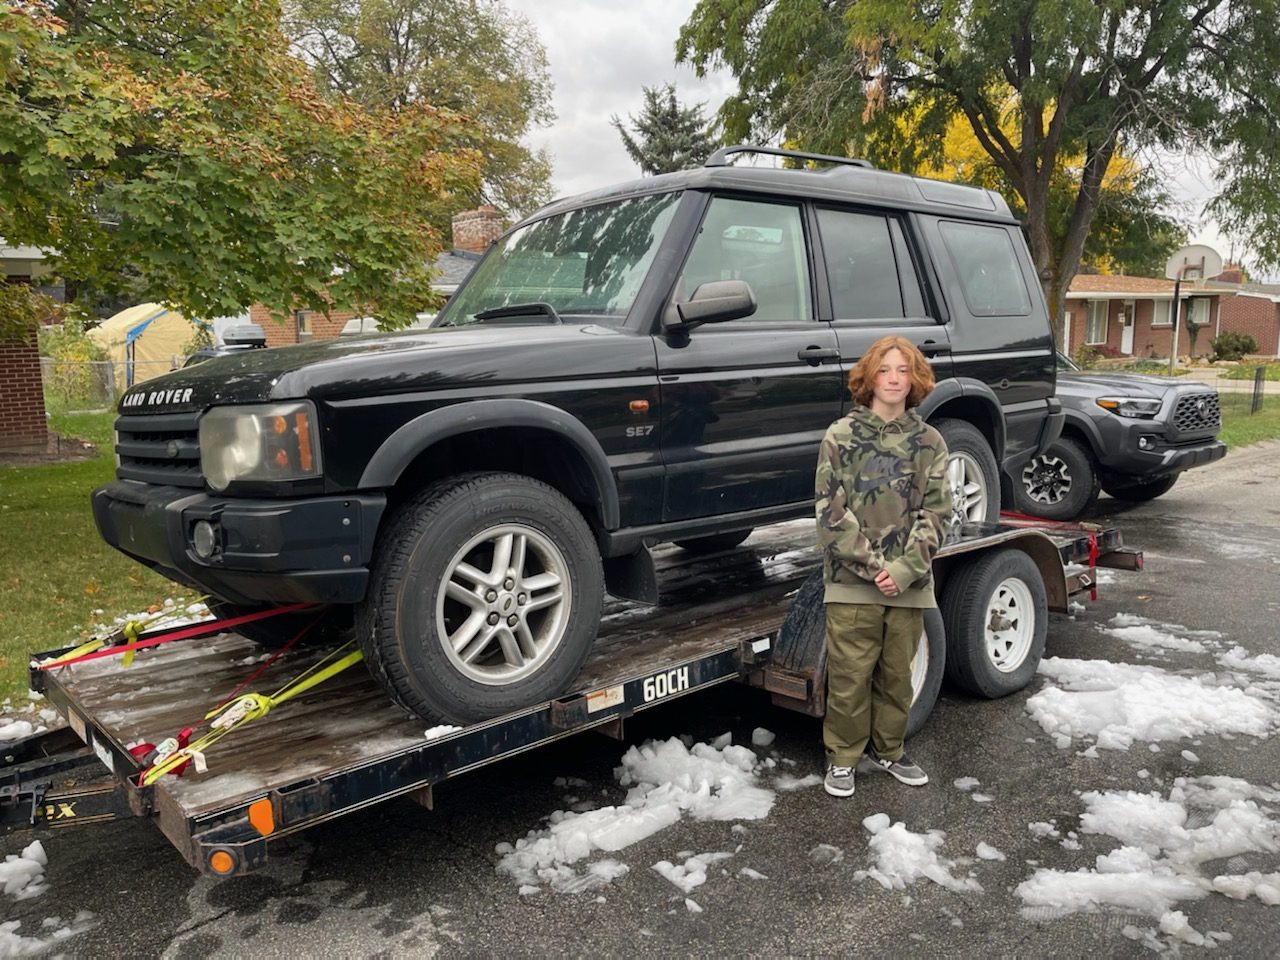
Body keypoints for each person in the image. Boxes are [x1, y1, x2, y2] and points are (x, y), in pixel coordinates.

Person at [815, 335, 952, 798]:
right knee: (850, 677)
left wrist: (906, 570)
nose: (894, 379)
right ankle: (843, 759)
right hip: (852, 582)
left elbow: (938, 513)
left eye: (903, 370)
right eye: (885, 370)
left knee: (897, 675)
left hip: (909, 584)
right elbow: (830, 513)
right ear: (869, 378)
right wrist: (875, 568)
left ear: (915, 380)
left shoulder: (930, 442)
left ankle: (889, 750)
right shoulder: (840, 436)